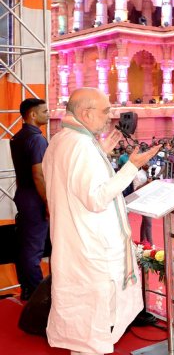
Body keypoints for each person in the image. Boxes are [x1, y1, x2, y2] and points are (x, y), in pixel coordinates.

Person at [43, 87, 162, 355]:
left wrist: (102, 152)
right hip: (91, 249)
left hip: (77, 245)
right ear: (85, 113)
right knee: (93, 326)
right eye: (106, 110)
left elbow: (79, 184)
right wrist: (132, 166)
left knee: (85, 326)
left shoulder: (63, 140)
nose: (111, 116)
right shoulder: (81, 146)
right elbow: (96, 198)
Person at [10, 98, 49, 301]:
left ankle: (27, 289)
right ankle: (36, 295)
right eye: (44, 111)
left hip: (23, 195)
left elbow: (20, 174)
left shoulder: (17, 137)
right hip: (35, 197)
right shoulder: (38, 139)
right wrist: (48, 202)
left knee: (25, 245)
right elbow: (38, 174)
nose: (48, 114)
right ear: (33, 115)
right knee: (33, 249)